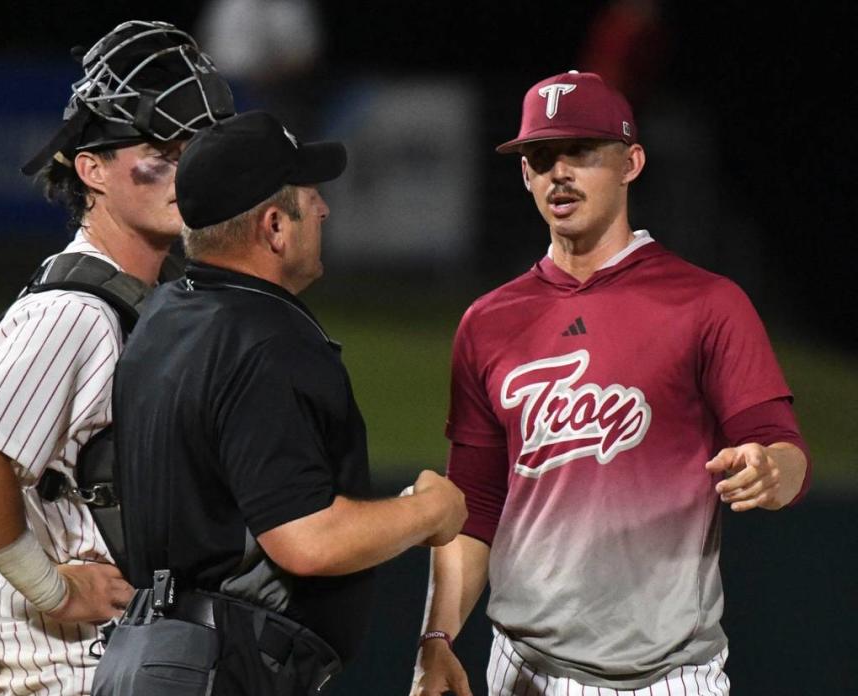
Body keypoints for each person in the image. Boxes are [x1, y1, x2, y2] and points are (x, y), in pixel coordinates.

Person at [409, 70, 811, 695]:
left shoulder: (707, 304)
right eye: (541, 157)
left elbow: (785, 452)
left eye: (580, 152)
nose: (558, 172)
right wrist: (436, 640)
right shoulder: (488, 322)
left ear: (631, 162)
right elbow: (476, 505)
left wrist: (771, 470)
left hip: (669, 677)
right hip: (521, 671)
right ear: (524, 175)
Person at [92, 110, 468, 696]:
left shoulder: (165, 315)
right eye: (311, 196)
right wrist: (428, 514)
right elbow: (306, 541)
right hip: (221, 667)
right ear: (275, 226)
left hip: (148, 653)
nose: (323, 209)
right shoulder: (266, 340)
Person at [0, 20, 235, 695]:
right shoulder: (75, 310)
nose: (185, 167)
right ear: (92, 170)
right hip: (55, 666)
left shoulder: (139, 297)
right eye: (161, 149)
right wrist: (52, 589)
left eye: (195, 147)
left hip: (113, 661)